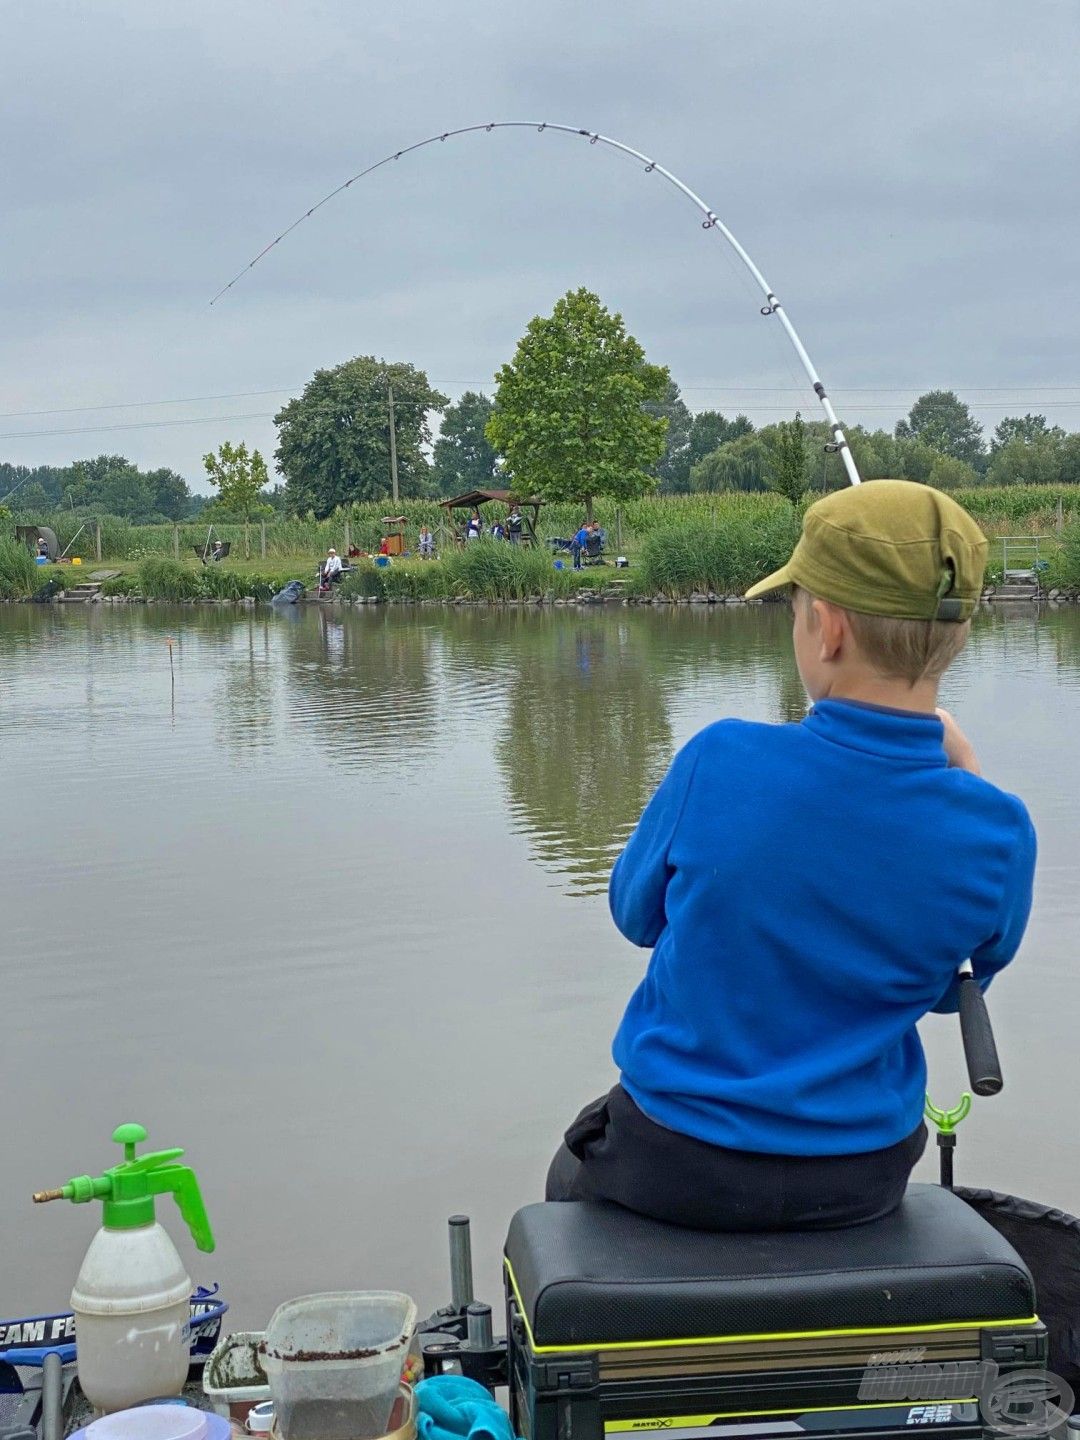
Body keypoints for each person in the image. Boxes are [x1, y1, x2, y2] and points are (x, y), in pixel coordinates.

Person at [546, 481, 1036, 1232]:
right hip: (861, 1175)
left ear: (829, 629)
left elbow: (633, 913)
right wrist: (963, 779)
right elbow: (947, 994)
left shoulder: (720, 758)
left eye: (796, 609)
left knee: (568, 1170)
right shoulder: (999, 831)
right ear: (957, 636)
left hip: (673, 1158)